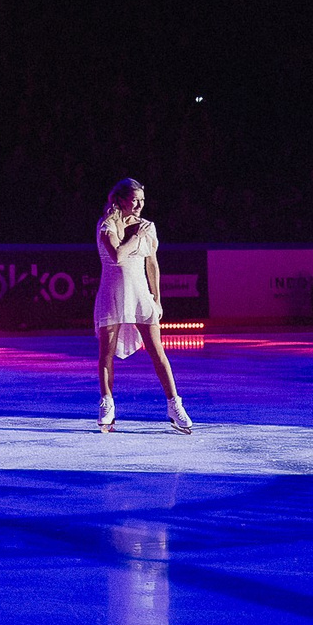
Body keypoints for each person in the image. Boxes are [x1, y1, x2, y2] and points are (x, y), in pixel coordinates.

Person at [93, 177, 192, 434]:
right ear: (120, 199)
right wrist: (135, 235)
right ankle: (107, 404)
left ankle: (174, 404)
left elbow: (152, 264)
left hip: (140, 292)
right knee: (106, 352)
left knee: (157, 350)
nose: (139, 205)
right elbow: (116, 256)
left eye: (142, 201)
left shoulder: (148, 227)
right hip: (112, 292)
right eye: (134, 200)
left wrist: (157, 298)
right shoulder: (107, 225)